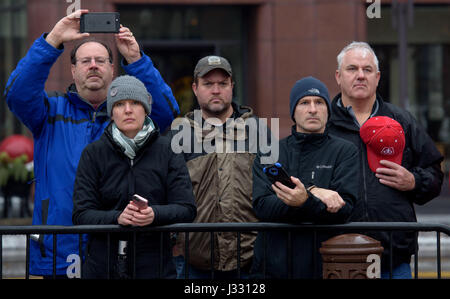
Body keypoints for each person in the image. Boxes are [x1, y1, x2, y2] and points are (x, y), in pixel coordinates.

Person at [3, 9, 179, 277]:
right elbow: (17, 94)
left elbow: (166, 114)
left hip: (122, 249)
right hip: (60, 249)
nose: (93, 65)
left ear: (112, 68)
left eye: (100, 60)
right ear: (73, 70)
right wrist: (52, 41)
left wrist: (135, 58)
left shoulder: (129, 116)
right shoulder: (49, 112)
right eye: (85, 61)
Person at [328, 41, 444, 278]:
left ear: (378, 77)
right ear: (338, 76)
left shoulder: (402, 121)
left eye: (367, 69)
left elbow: (435, 174)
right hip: (336, 257)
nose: (360, 75)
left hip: (394, 258)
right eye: (352, 69)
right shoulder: (322, 125)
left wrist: (414, 181)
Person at [72, 75, 196, 279]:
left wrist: (153, 214)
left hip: (155, 266)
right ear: (112, 113)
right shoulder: (93, 153)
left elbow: (187, 208)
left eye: (135, 103)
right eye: (120, 104)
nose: (128, 110)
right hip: (103, 266)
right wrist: (117, 218)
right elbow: (81, 213)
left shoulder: (168, 150)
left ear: (145, 109)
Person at [167, 55, 275, 279]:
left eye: (222, 84)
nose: (216, 90)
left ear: (232, 87)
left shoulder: (259, 130)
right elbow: (167, 192)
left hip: (251, 262)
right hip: (194, 264)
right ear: (195, 88)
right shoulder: (179, 134)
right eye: (208, 84)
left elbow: (275, 190)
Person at [251, 76, 359, 278]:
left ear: (328, 109)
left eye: (319, 102)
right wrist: (312, 196)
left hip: (325, 267)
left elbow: (345, 208)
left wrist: (303, 201)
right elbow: (262, 205)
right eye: (304, 103)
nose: (312, 109)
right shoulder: (271, 152)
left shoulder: (345, 151)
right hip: (275, 266)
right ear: (293, 110)